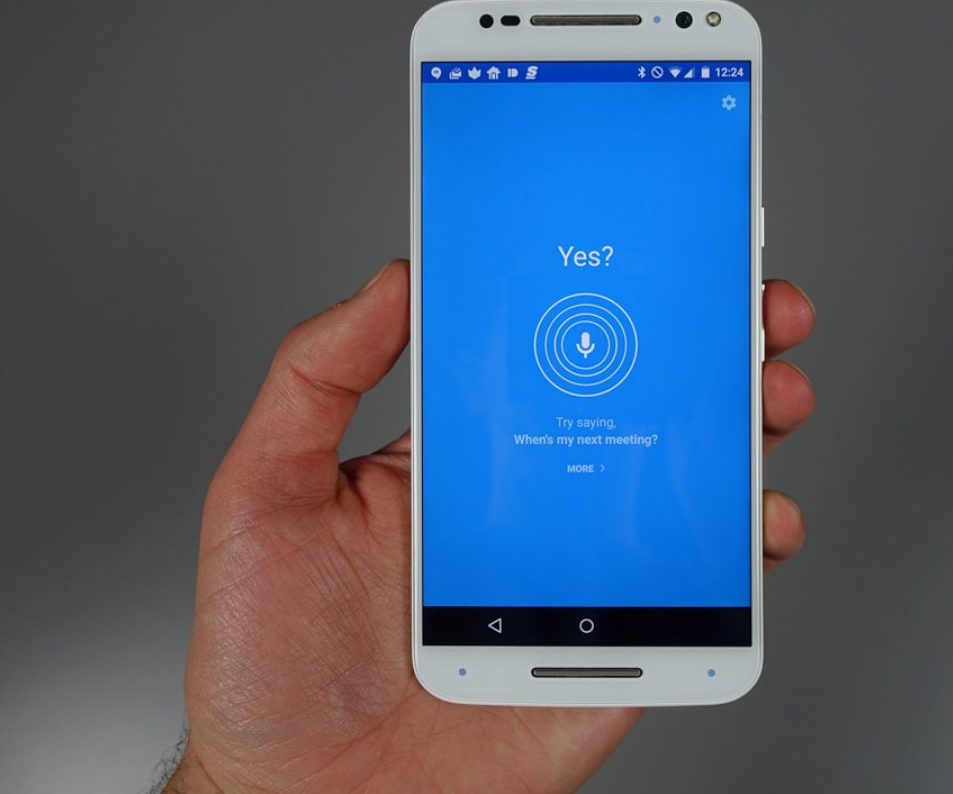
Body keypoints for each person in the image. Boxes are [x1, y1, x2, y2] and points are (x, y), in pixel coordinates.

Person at [160, 260, 816, 793]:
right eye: (538, 350)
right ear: (472, 375)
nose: (583, 360)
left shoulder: (672, 568)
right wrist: (246, 785)